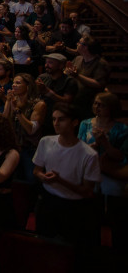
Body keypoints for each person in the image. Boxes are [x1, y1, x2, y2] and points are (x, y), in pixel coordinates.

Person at [33, 103, 101, 258]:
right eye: (54, 119)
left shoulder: (88, 154)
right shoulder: (46, 142)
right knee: (43, 246)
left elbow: (87, 191)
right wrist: (43, 177)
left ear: (74, 122)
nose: (56, 123)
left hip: (72, 208)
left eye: (61, 119)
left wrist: (60, 181)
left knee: (68, 251)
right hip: (47, 201)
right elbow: (36, 171)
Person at [78, 92, 127, 198]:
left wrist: (105, 143)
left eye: (102, 105)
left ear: (111, 108)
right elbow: (78, 149)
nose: (97, 107)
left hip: (110, 170)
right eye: (95, 103)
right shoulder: (85, 124)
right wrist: (90, 148)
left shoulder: (122, 129)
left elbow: (121, 156)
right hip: (88, 168)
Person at [2, 74, 47, 181]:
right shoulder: (13, 101)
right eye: (13, 83)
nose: (13, 85)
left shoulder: (39, 105)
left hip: (29, 149)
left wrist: (17, 110)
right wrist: (8, 102)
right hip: (14, 147)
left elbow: (31, 130)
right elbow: (4, 121)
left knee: (29, 180)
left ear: (28, 86)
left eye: (18, 83)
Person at [67, 36, 110, 119]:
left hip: (89, 103)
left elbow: (98, 84)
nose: (77, 44)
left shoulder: (101, 63)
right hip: (75, 100)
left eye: (79, 42)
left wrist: (77, 76)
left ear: (85, 47)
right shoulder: (78, 59)